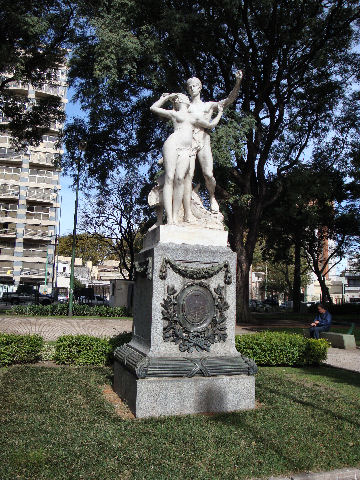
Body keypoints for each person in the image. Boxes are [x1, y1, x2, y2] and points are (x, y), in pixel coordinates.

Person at [150, 92, 223, 224]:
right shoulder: (175, 114)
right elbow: (153, 108)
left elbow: (210, 125)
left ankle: (176, 215)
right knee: (170, 178)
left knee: (180, 179)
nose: (177, 99)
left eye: (179, 98)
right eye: (176, 99)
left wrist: (219, 114)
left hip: (186, 150)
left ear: (186, 101)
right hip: (172, 145)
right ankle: (170, 219)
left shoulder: (194, 117)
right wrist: (165, 98)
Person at [185, 70, 243, 214]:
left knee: (208, 174)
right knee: (187, 174)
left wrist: (237, 83)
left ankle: (212, 197)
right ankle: (187, 205)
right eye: (190, 86)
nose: (192, 88)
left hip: (204, 139)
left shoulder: (208, 106)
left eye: (195, 86)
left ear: (200, 87)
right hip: (189, 140)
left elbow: (229, 100)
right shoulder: (186, 107)